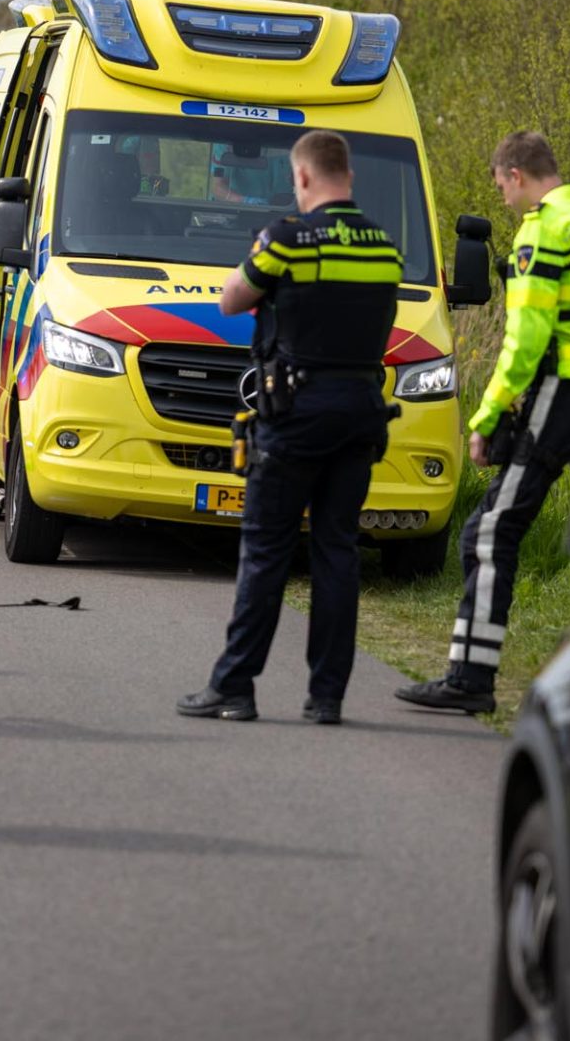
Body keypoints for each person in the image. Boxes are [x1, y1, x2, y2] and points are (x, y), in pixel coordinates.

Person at [396, 131, 570, 715]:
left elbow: (527, 338)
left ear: (514, 175)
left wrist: (488, 414)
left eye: (501, 189)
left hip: (566, 387)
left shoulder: (545, 228)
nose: (506, 203)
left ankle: (469, 677)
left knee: (489, 532)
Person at [177, 130, 401, 725]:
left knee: (267, 551)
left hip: (295, 412)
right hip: (360, 412)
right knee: (336, 552)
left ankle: (235, 687)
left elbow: (231, 300)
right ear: (347, 176)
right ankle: (326, 697)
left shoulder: (285, 240)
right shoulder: (384, 247)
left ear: (302, 178)